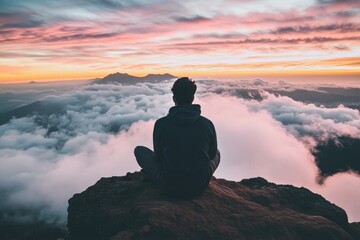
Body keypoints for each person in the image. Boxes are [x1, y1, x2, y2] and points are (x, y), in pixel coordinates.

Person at [134, 77, 220, 198]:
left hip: (169, 186)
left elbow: (159, 157)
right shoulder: (207, 124)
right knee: (217, 152)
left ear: (174, 98)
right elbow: (211, 155)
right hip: (199, 186)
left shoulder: (161, 124)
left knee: (139, 151)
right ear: (193, 98)